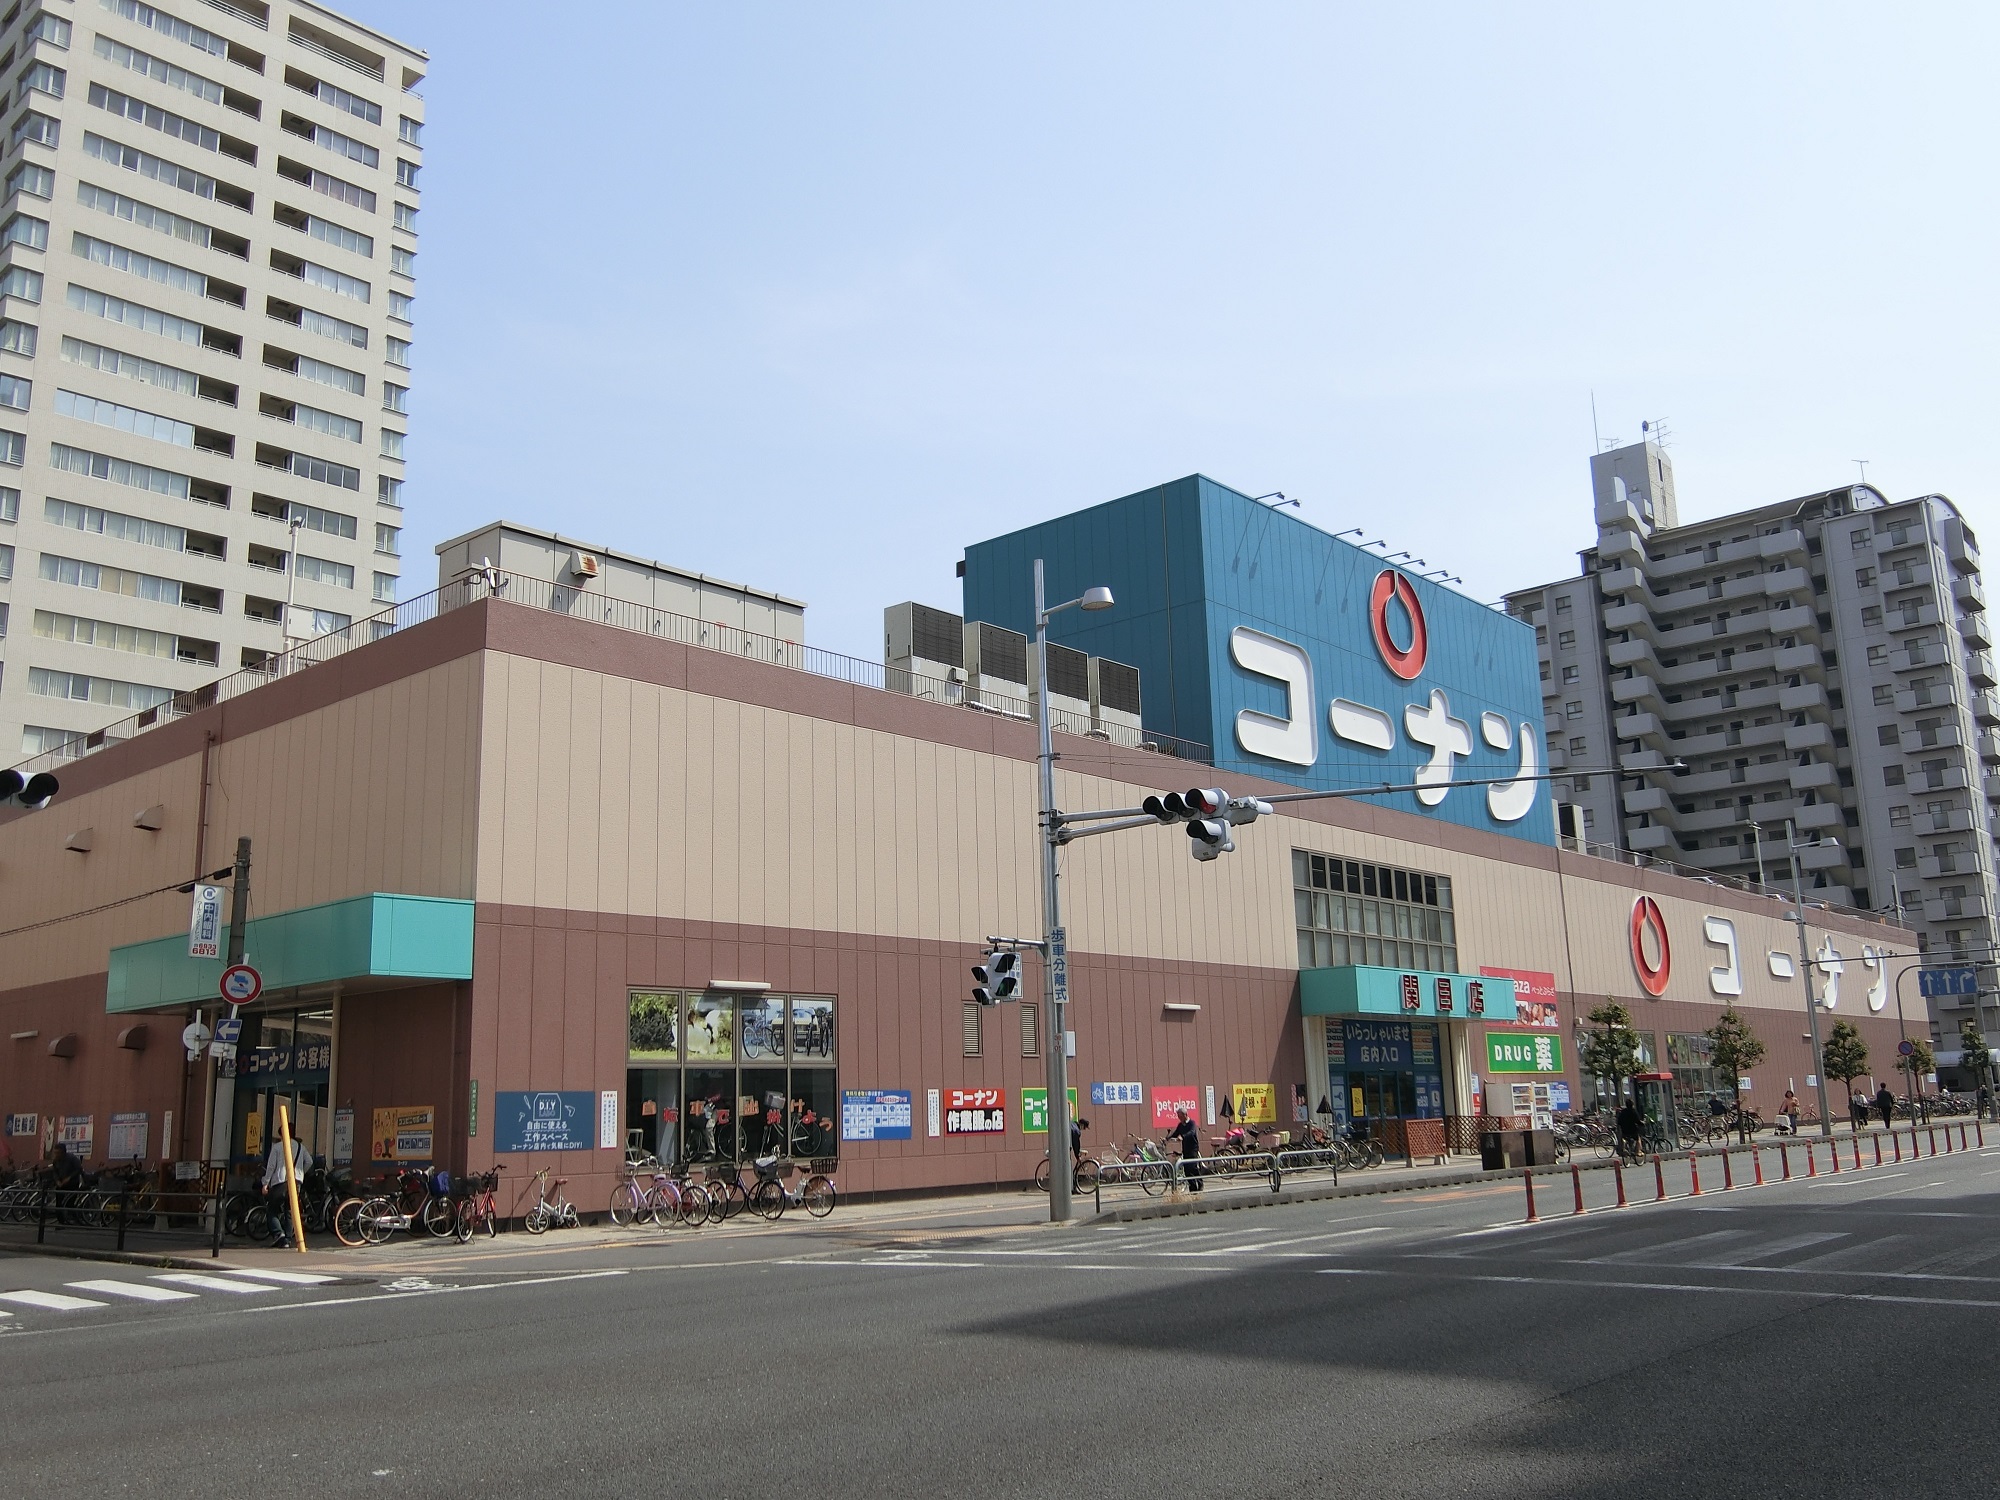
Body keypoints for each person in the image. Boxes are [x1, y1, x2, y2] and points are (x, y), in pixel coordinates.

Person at [260, 1127, 312, 1249]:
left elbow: (271, 1166)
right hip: (296, 1182)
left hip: (281, 1182)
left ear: (281, 1134)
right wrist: (300, 1173)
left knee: (272, 1209)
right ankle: (288, 1239)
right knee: (289, 1211)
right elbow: (309, 1162)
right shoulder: (301, 1147)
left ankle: (279, 1233)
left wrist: (265, 1183)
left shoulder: (278, 1147)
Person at [1164, 1108, 1202, 1192]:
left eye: (1180, 1116)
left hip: (1193, 1148)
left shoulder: (1192, 1123)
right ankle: (1193, 1188)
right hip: (1185, 1148)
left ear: (1185, 1115)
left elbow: (1191, 1132)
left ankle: (1200, 1183)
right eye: (1178, 1116)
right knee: (1187, 1169)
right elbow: (1176, 1133)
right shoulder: (1180, 1125)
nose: (1179, 1118)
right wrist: (1167, 1138)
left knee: (1193, 1168)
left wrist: (1183, 1136)